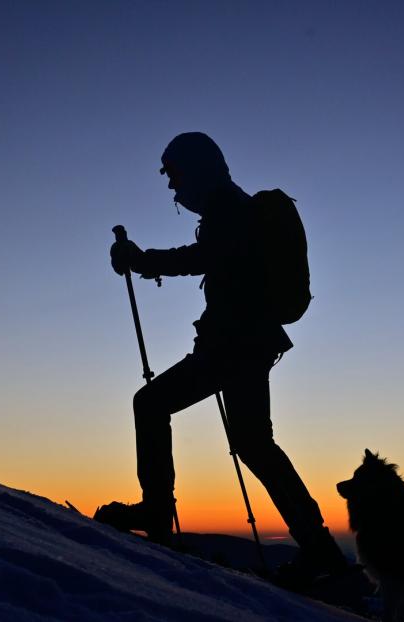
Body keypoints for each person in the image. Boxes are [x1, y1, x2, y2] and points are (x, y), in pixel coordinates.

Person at [102, 132, 347, 580]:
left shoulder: (229, 210)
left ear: (199, 170)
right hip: (247, 344)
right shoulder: (234, 208)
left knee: (151, 404)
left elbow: (202, 257)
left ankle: (157, 514)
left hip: (235, 345)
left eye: (176, 178)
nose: (174, 190)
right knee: (255, 444)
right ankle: (322, 550)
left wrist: (141, 260)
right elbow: (216, 261)